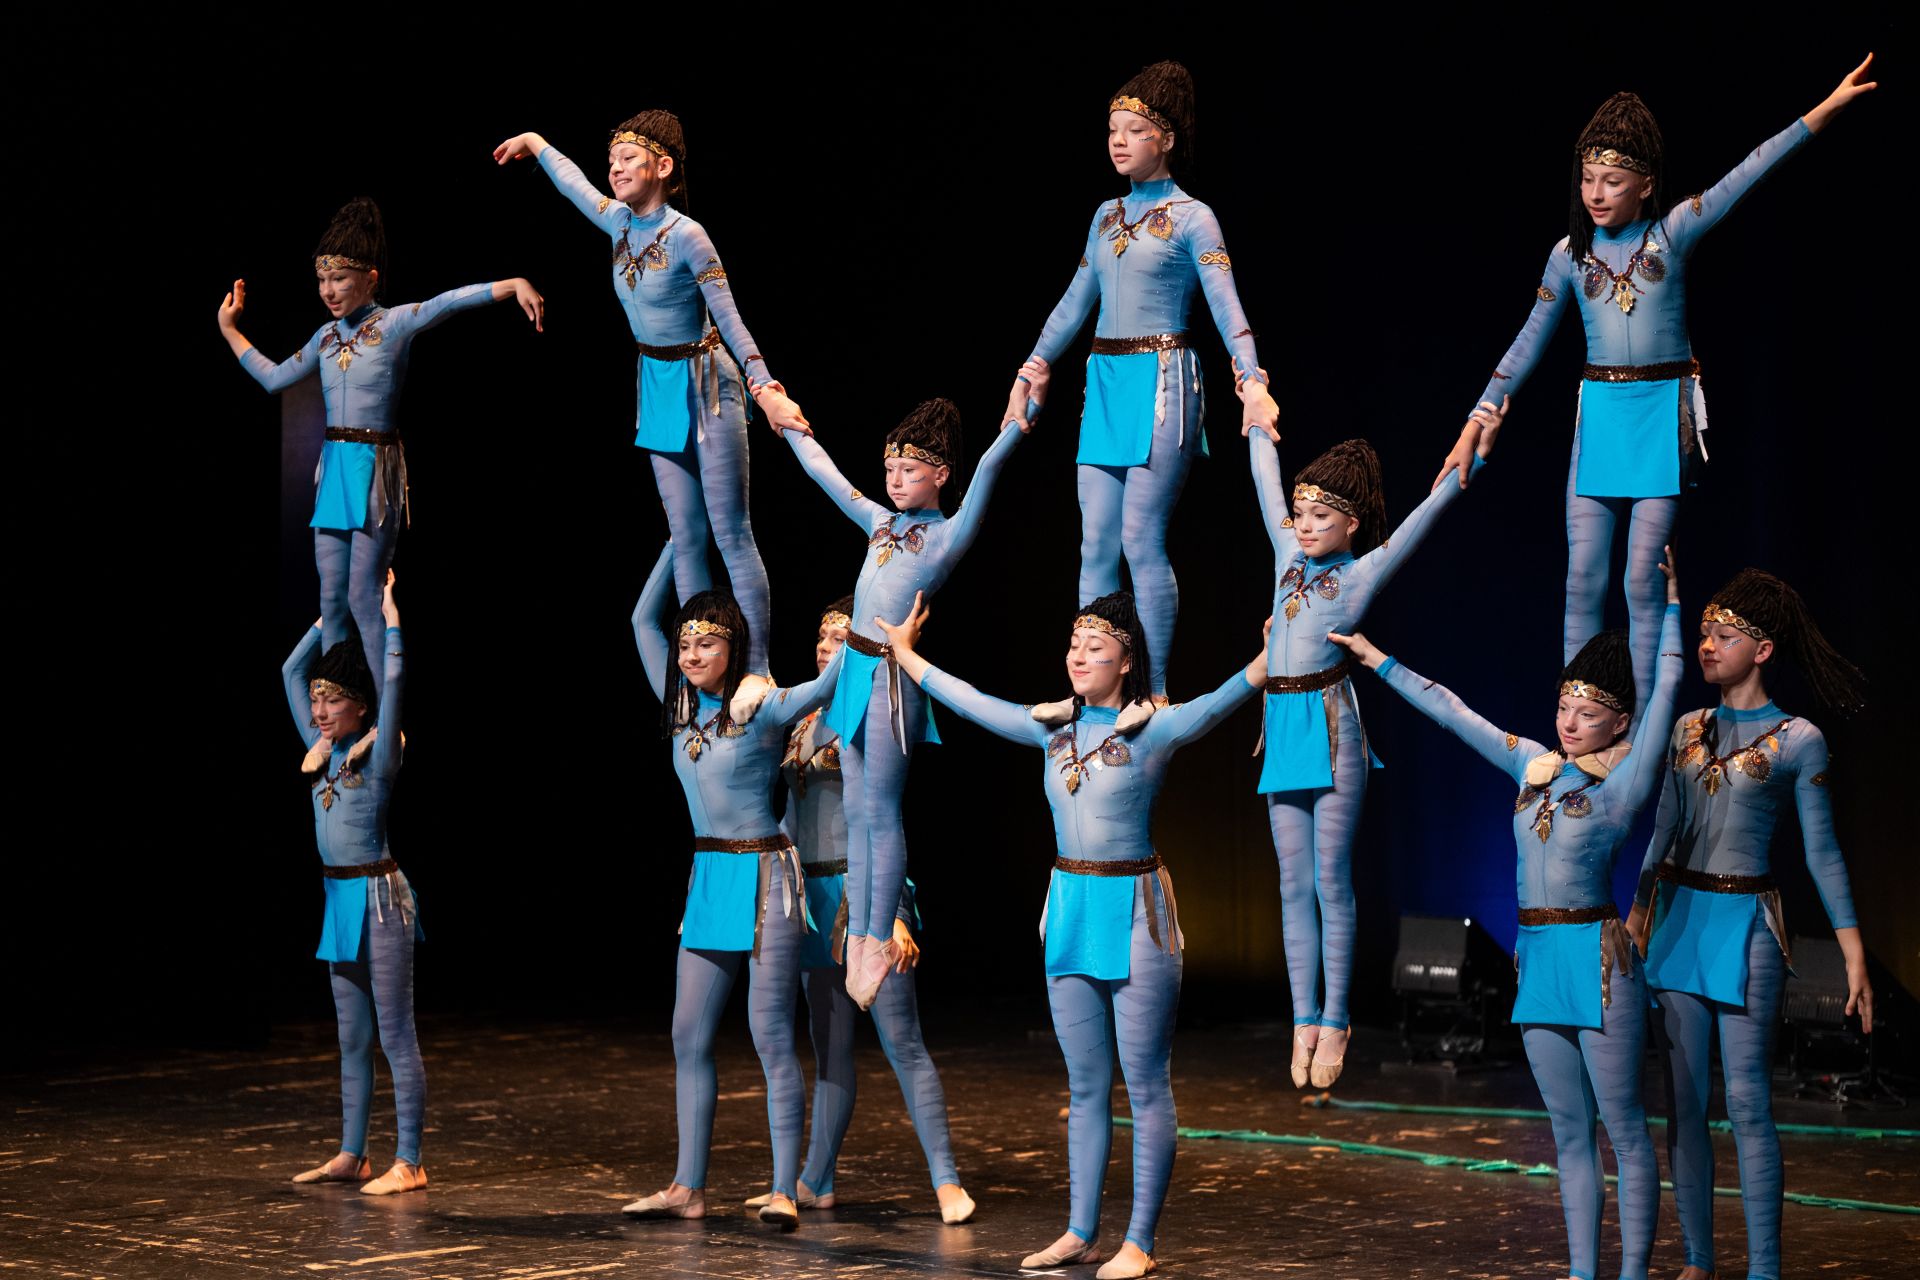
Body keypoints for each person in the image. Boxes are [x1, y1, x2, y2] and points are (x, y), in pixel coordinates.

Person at [1437, 55, 1877, 715]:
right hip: (1600, 416)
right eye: (1588, 179)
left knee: (1642, 578)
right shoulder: (1569, 255)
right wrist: (1475, 420)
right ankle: (1581, 719)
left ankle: (1641, 725)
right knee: (1582, 579)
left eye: (1612, 181)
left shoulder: (1673, 234)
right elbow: (1527, 341)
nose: (1596, 193)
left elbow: (1750, 170)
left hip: (1660, 417)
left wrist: (1825, 110)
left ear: (1645, 185)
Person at [876, 588, 1269, 1280]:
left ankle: (1139, 1241)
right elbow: (970, 701)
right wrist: (906, 655)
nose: (1078, 657)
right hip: (1069, 910)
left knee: (1145, 1084)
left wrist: (1268, 661)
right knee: (1084, 1086)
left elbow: (1220, 701)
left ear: (1127, 663)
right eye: (1074, 645)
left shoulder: (1154, 731)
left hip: (1136, 911)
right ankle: (1081, 1232)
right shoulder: (1050, 728)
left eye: (1096, 648)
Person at [1330, 550, 1683, 1280]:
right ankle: (1583, 1273)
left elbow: (1668, 687)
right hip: (1539, 960)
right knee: (1568, 1134)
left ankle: (1632, 1275)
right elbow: (1454, 711)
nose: (1570, 722)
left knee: (1624, 1131)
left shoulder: (1624, 784)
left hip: (1598, 960)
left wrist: (1671, 609)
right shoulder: (1533, 765)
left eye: (1588, 714)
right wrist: (1375, 659)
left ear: (1620, 722)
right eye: (1564, 708)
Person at [495, 116, 808, 716]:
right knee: (686, 536)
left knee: (729, 531)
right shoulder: (617, 221)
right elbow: (573, 183)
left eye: (628, 158)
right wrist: (537, 143)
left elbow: (731, 318)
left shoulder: (689, 236)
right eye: (611, 158)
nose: (614, 169)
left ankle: (756, 669)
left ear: (663, 168)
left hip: (707, 383)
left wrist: (766, 387)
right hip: (657, 386)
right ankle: (704, 675)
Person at [1004, 59, 1280, 699]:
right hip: (1105, 381)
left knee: (1139, 536)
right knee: (1095, 544)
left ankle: (1154, 692)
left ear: (1168, 138)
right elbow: (1073, 303)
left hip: (1164, 380)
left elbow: (1227, 306)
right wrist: (1031, 369)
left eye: (1134, 130)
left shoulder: (1193, 217)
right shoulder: (1105, 215)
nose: (1119, 141)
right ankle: (1096, 692)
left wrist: (1252, 381)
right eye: (1111, 130)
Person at [1626, 568, 1872, 1280]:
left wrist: (1854, 952)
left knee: (1748, 1104)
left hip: (1748, 930)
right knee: (1686, 1105)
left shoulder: (1799, 740)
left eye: (1723, 636)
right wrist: (1637, 914)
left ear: (1762, 650)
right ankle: (1699, 1261)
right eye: (1704, 633)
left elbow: (1823, 852)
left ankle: (1764, 1269)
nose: (1706, 645)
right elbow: (1663, 829)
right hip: (1678, 922)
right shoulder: (1686, 728)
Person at [1248, 402, 1503, 1088]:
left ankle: (1336, 1017)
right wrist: (1254, 413)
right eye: (1300, 515)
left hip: (1333, 730)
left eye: (1320, 517)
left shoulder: (1361, 573)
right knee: (1291, 884)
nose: (1304, 526)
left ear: (1352, 524)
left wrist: (1473, 455)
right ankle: (1302, 1017)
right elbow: (1264, 478)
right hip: (1283, 729)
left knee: (1330, 879)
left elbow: (1425, 517)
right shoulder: (1286, 555)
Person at [778, 375, 1045, 1007]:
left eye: (910, 471)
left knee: (881, 810)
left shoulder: (947, 534)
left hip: (891, 679)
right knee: (857, 810)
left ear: (940, 475)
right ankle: (862, 938)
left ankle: (876, 934)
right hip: (853, 673)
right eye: (890, 469)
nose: (895, 481)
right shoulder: (878, 523)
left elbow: (988, 471)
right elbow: (824, 474)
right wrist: (785, 418)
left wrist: (1016, 422)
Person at [224, 198, 543, 698]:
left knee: (362, 596)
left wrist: (511, 284)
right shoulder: (325, 337)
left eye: (339, 279)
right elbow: (273, 379)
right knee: (331, 600)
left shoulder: (394, 324)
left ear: (370, 279)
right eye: (322, 280)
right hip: (334, 469)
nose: (328, 291)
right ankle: (339, 712)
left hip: (375, 470)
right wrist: (230, 330)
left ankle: (386, 719)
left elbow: (447, 302)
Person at [624, 543, 840, 1228]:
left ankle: (783, 1190)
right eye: (686, 643)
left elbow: (829, 686)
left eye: (707, 643)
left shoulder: (764, 708)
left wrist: (871, 630)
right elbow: (640, 620)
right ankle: (687, 1187)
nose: (691, 654)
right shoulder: (680, 707)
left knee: (769, 1032)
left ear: (734, 647)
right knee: (687, 1032)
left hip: (766, 876)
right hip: (710, 877)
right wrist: (678, 540)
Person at [747, 597, 973, 1223]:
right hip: (808, 899)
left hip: (864, 894)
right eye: (822, 637)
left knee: (902, 1041)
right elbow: (787, 817)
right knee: (830, 1047)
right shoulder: (801, 718)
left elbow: (884, 821)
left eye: (841, 638)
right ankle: (816, 1179)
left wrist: (893, 908)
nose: (827, 647)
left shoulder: (876, 715)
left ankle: (947, 1182)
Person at [279, 570, 427, 1196]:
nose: (318, 711)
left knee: (394, 1032)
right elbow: (289, 670)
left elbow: (393, 680)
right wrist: (328, 615)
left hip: (379, 899)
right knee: (351, 1036)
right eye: (317, 702)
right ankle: (352, 1153)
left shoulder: (380, 752)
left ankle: (410, 1161)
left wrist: (388, 618)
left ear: (359, 706)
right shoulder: (320, 752)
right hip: (337, 898)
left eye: (332, 701)